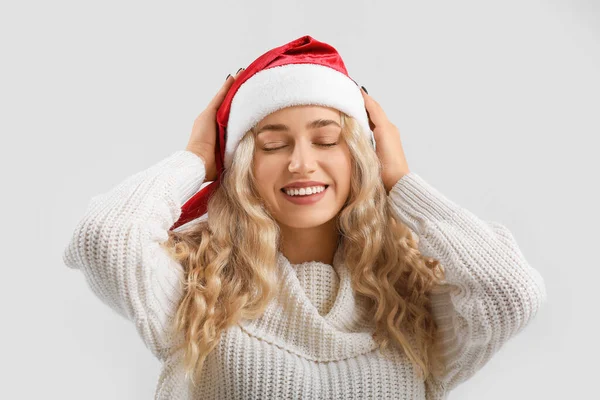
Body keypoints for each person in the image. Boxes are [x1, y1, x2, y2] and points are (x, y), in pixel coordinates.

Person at [63, 35, 547, 400]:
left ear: (361, 154)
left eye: (326, 140)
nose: (300, 163)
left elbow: (511, 292)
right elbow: (107, 238)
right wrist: (196, 158)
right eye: (273, 144)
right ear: (242, 164)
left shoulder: (410, 299)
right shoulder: (199, 286)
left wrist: (399, 180)